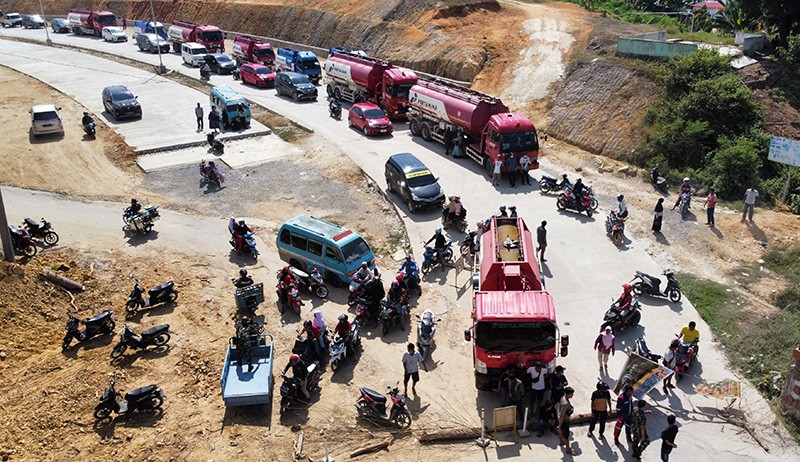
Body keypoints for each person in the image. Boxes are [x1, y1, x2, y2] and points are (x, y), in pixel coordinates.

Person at [557, 387, 576, 455]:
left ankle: (561, 442)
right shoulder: (565, 403)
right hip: (564, 421)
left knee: (561, 431)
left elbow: (559, 409)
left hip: (561, 419)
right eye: (571, 394)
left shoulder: (563, 397)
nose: (572, 395)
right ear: (568, 394)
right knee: (566, 436)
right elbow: (562, 415)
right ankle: (568, 450)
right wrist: (560, 424)